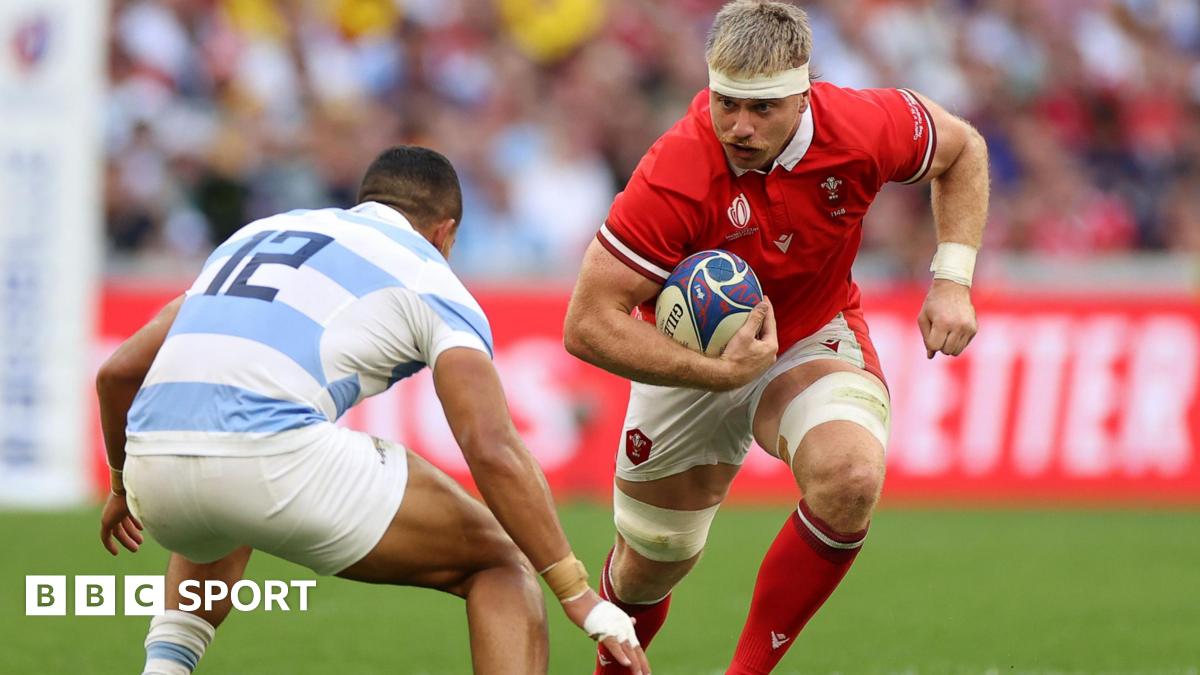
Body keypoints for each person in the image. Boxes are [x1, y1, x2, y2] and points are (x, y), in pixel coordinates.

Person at [97, 146, 650, 675]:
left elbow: (117, 372)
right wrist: (576, 592)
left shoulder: (259, 234)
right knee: (502, 562)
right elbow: (490, 445)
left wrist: (123, 484)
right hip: (266, 459)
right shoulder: (431, 275)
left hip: (152, 465)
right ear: (446, 232)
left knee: (228, 485)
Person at [562, 1, 988, 673]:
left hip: (811, 332)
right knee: (650, 563)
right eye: (726, 102)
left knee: (850, 477)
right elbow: (586, 324)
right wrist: (717, 374)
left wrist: (953, 278)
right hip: (691, 360)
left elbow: (962, 148)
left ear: (803, 91)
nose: (739, 125)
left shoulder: (862, 125)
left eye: (762, 108)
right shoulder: (676, 169)